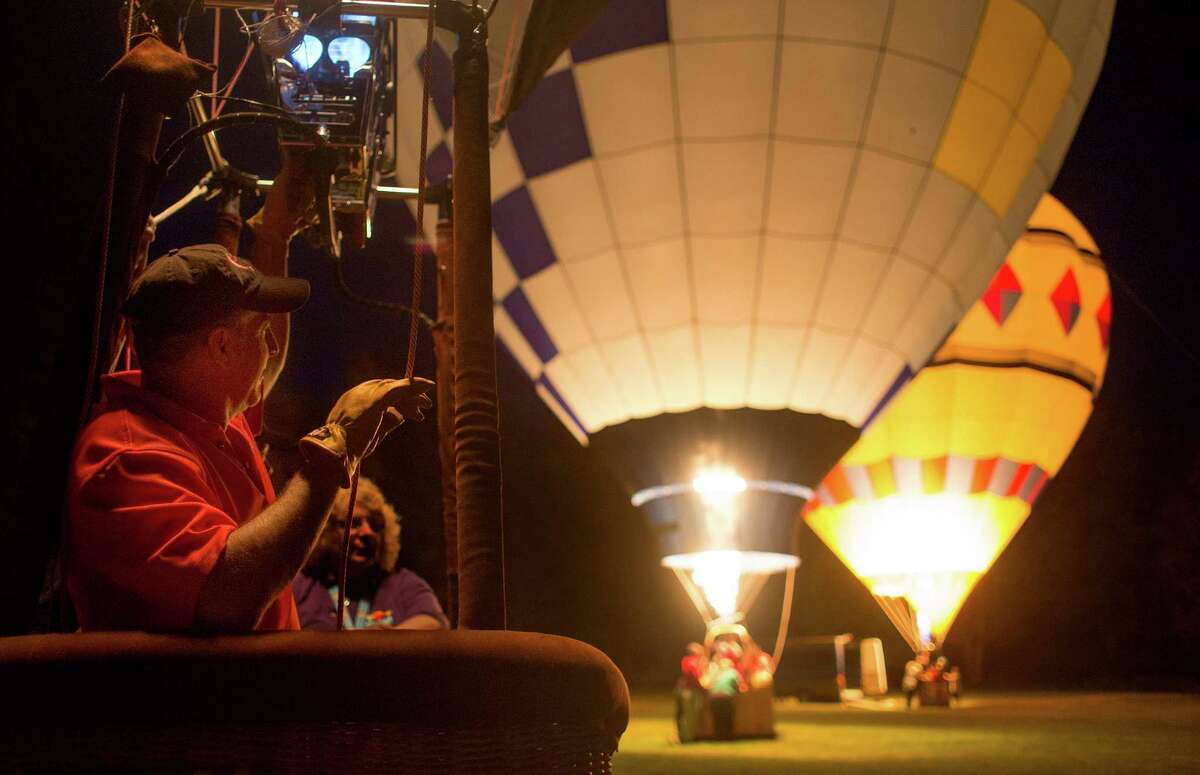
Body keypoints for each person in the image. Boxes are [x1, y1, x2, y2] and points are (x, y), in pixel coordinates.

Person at [66, 156, 433, 633]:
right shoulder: (125, 456)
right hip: (187, 708)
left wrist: (274, 234)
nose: (274, 345)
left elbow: (267, 365)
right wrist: (334, 447)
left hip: (245, 702)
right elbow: (225, 595)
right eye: (260, 332)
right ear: (220, 346)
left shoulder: (206, 418)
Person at [292, 476, 448, 630]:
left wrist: (388, 639)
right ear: (325, 530)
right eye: (354, 523)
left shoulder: (403, 583)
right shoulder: (300, 586)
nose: (368, 532)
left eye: (375, 525)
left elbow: (435, 623)